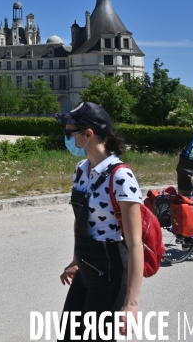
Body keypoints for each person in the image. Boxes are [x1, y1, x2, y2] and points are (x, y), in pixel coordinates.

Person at [55, 102, 144, 341]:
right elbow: (80, 219)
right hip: (86, 267)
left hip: (110, 269)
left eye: (69, 131)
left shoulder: (121, 175)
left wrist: (131, 304)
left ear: (88, 134)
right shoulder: (81, 169)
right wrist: (75, 260)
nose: (67, 136)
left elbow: (135, 243)